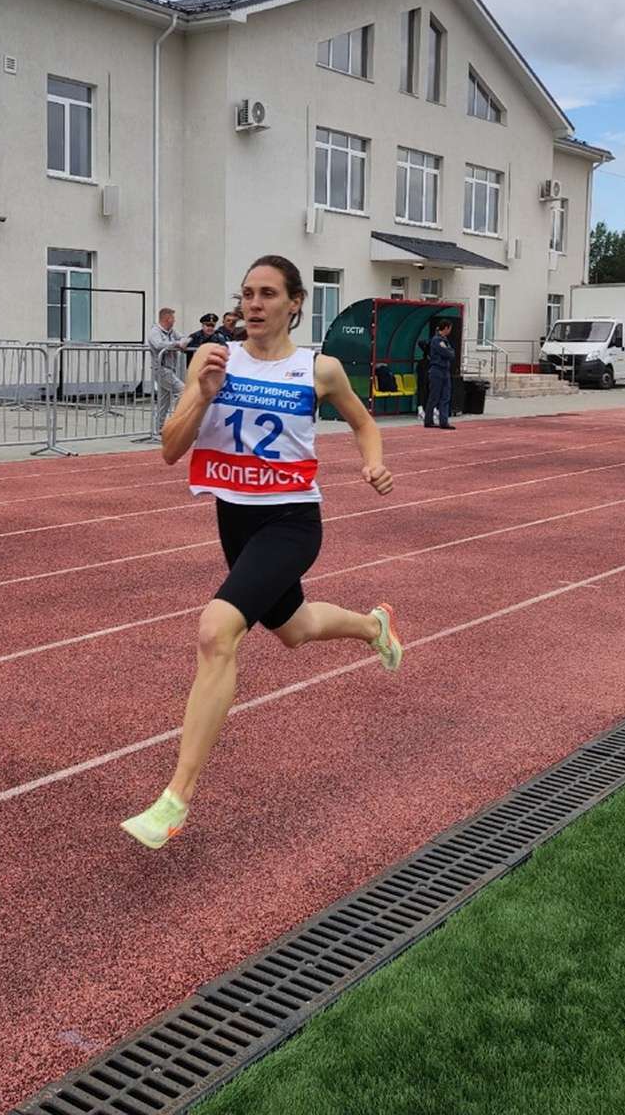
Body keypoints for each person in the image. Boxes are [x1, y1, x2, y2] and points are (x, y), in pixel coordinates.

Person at [121, 256, 401, 848]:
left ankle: (175, 800)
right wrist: (202, 396)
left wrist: (373, 462)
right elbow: (170, 448)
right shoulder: (213, 357)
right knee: (294, 629)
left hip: (292, 522)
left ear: (295, 303)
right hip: (235, 521)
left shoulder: (319, 369)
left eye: (268, 294)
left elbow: (363, 423)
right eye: (247, 293)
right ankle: (373, 626)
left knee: (216, 631)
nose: (253, 303)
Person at [145, 308, 190, 438]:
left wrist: (183, 342)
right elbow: (158, 344)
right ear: (167, 319)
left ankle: (159, 428)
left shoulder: (171, 332)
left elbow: (185, 338)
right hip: (161, 369)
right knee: (183, 391)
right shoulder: (155, 331)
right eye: (173, 318)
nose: (174, 321)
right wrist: (177, 344)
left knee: (164, 401)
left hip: (170, 368)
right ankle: (176, 423)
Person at [425, 319, 457, 429]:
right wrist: (448, 351)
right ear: (446, 328)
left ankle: (444, 421)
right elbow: (448, 353)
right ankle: (428, 420)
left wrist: (448, 351)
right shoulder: (436, 340)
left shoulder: (445, 340)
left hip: (445, 371)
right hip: (437, 370)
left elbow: (452, 353)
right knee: (434, 397)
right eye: (450, 328)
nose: (450, 331)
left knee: (445, 397)